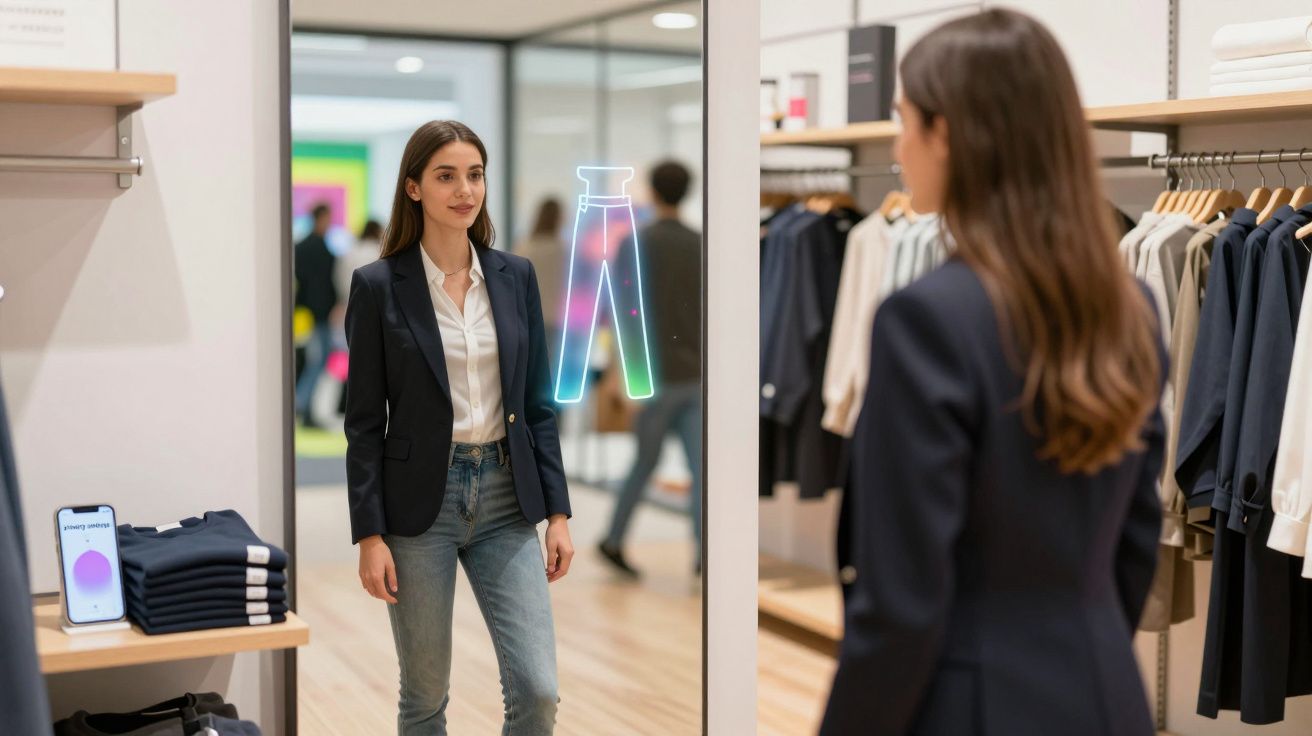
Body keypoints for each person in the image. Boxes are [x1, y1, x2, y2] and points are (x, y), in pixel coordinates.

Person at [821, 10, 1165, 736]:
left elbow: (901, 602)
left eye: (902, 120)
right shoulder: (1129, 307)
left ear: (946, 134)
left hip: (969, 705)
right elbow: (1136, 539)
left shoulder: (928, 319)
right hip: (1104, 692)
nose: (897, 145)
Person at [344, 120, 574, 736]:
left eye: (474, 175)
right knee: (425, 695)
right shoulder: (376, 286)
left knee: (538, 691)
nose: (464, 190)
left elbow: (538, 404)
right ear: (414, 187)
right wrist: (369, 535)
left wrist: (558, 512)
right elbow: (364, 425)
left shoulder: (514, 275)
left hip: (506, 496)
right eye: (446, 176)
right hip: (421, 505)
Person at [597, 161, 702, 577]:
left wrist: (618, 374)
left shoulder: (635, 244)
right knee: (700, 472)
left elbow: (623, 314)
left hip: (653, 378)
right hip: (696, 375)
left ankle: (614, 538)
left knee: (644, 462)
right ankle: (703, 556)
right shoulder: (701, 243)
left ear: (654, 193)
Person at [294, 203, 338, 428]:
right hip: (316, 314)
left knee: (311, 361)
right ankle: (301, 404)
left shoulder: (301, 247)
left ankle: (305, 407)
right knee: (316, 361)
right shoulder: (318, 248)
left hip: (305, 313)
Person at [334, 220, 383, 416]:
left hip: (348, 305)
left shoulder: (350, 252)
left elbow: (338, 279)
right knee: (372, 362)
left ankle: (345, 402)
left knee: (352, 357)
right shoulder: (377, 253)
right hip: (376, 309)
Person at [515, 198, 567, 371]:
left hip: (529, 318)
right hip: (558, 318)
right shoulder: (565, 250)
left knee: (532, 371)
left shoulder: (525, 248)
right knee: (554, 372)